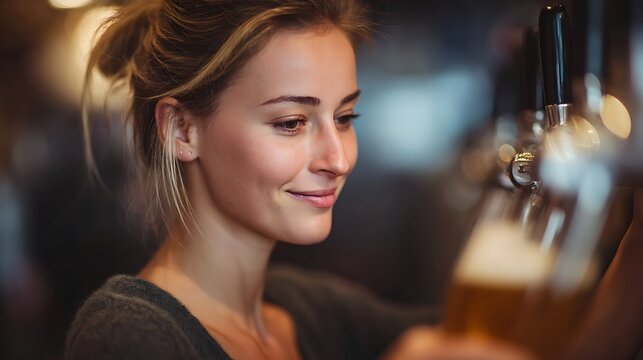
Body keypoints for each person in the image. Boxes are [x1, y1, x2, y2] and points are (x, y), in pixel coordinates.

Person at [64, 0, 534, 359]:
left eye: (346, 117)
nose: (339, 158)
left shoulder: (306, 309)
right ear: (181, 130)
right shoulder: (127, 332)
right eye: (291, 123)